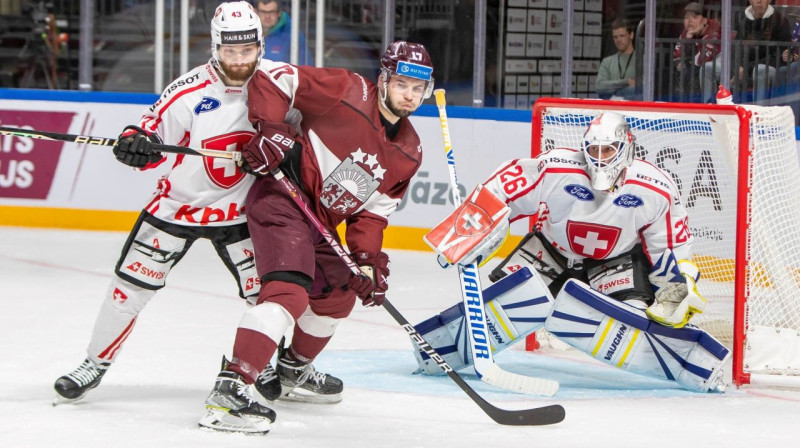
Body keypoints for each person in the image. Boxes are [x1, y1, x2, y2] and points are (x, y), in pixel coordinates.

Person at [197, 40, 434, 434]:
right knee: (289, 292)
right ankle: (231, 389)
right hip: (282, 198)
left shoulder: (409, 151)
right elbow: (273, 77)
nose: (409, 95)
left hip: (321, 222)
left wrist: (367, 261)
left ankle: (293, 371)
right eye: (402, 85)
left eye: (417, 89)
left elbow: (373, 212)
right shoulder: (348, 90)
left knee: (339, 294)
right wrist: (271, 130)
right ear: (385, 79)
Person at [52, 1, 280, 410]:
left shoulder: (279, 85)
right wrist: (136, 144)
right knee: (127, 293)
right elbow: (150, 130)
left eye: (247, 51)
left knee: (265, 294)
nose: (240, 60)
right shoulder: (188, 90)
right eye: (231, 52)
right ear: (215, 47)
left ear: (260, 46)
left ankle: (260, 362)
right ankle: (94, 362)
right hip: (178, 209)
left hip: (242, 213)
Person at [415, 113, 727, 393]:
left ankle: (674, 356)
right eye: (594, 150)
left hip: (614, 262)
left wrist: (678, 283)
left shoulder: (655, 188)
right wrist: (470, 230)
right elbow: (503, 188)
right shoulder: (556, 167)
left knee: (633, 312)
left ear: (626, 148)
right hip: (550, 251)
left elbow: (669, 246)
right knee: (509, 299)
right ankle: (443, 347)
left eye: (609, 150)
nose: (601, 159)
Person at [733, 0, 793, 102]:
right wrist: (738, 66)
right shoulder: (743, 20)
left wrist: (746, 67)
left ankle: (759, 111)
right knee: (709, 68)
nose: (759, 1)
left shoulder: (780, 21)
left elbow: (779, 56)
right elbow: (736, 49)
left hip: (772, 67)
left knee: (760, 70)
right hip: (746, 66)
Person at [673, 2, 722, 102]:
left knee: (697, 70)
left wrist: (686, 59)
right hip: (696, 69)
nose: (690, 21)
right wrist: (688, 38)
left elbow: (703, 60)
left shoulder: (714, 29)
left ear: (704, 20)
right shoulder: (686, 33)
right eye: (686, 17)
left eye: (694, 17)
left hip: (721, 68)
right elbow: (676, 58)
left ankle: (707, 105)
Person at [255, 0, 310, 65]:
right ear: (256, 12)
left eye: (271, 12)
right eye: (263, 12)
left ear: (279, 13)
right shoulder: (250, 32)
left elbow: (305, 68)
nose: (267, 16)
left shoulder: (293, 36)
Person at [596, 18, 637, 100]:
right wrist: (626, 82)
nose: (618, 40)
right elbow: (599, 87)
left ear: (631, 35)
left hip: (635, 110)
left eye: (622, 36)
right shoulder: (607, 62)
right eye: (615, 37)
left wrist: (613, 90)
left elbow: (642, 88)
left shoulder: (642, 60)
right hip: (611, 110)